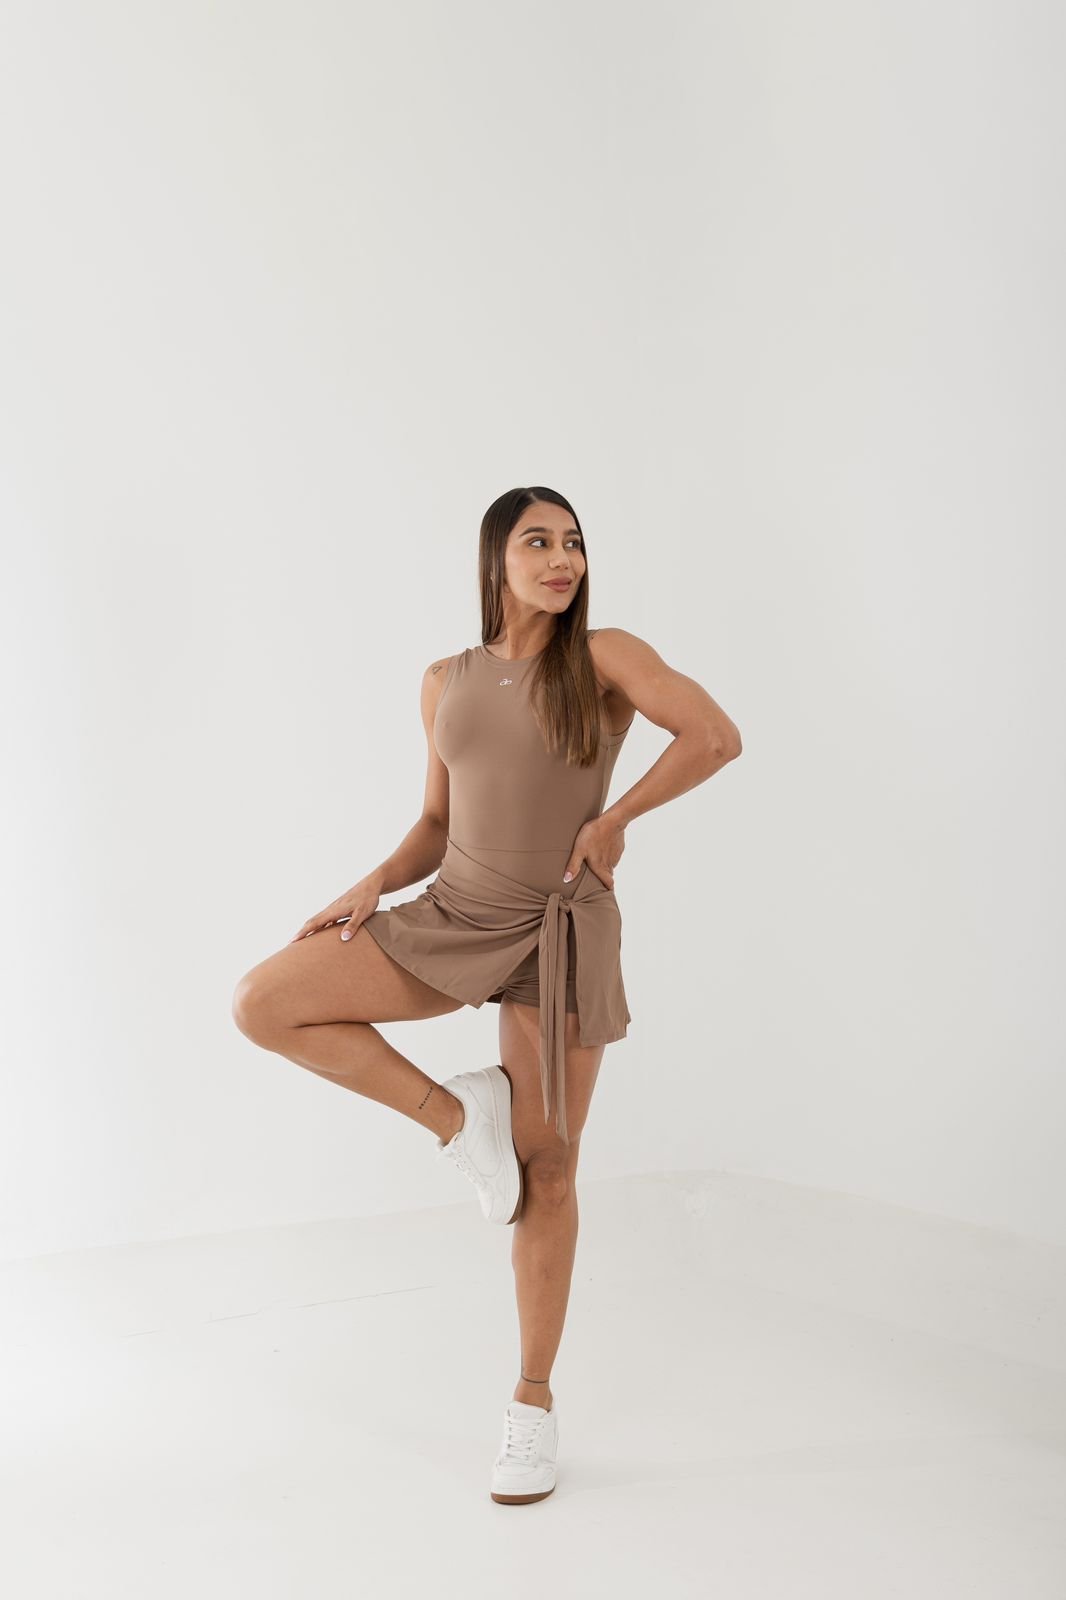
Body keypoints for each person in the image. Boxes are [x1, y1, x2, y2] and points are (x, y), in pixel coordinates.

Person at [231, 485, 743, 1503]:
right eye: (538, 541)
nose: (562, 559)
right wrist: (376, 880)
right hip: (454, 913)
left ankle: (531, 1405)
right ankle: (460, 1117)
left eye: (574, 543)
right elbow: (435, 822)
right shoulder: (444, 681)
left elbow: (714, 736)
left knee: (547, 1171)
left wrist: (615, 819)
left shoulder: (603, 658)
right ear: (494, 560)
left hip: (561, 928)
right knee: (264, 1001)